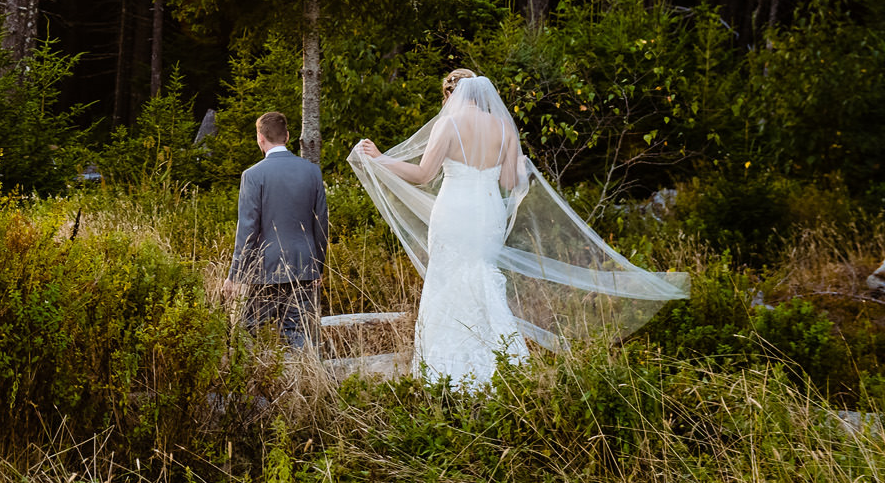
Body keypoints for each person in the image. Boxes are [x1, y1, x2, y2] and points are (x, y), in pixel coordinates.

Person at [350, 70, 686, 389]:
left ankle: (445, 370)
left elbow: (423, 175)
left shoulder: (448, 123)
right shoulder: (503, 127)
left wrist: (378, 158)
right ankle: (503, 363)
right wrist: (520, 168)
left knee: (448, 278)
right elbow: (509, 182)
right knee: (482, 274)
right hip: (489, 212)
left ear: (450, 93)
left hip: (455, 211)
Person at [223, 111, 328, 350]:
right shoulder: (312, 172)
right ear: (288, 136)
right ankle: (310, 382)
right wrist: (318, 266)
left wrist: (235, 275)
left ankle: (245, 384)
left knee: (245, 333)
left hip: (265, 269)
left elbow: (247, 231)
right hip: (304, 266)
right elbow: (321, 223)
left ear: (260, 138)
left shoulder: (252, 175)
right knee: (298, 333)